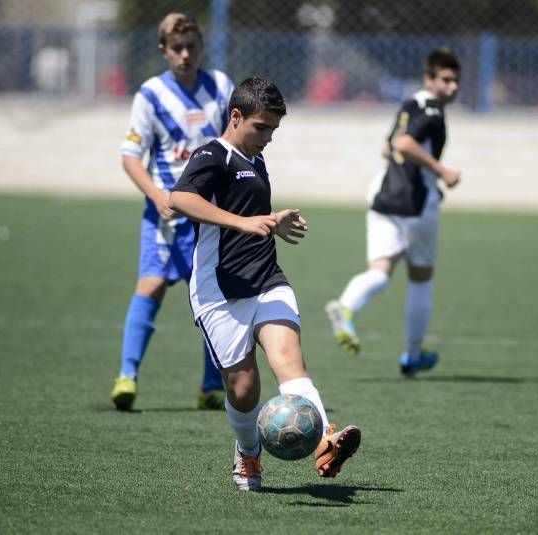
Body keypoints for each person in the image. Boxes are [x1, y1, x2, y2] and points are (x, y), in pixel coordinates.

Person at [168, 76, 361, 491]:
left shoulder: (255, 159)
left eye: (274, 129)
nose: (269, 138)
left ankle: (325, 438)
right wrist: (245, 222)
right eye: (262, 128)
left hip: (266, 277)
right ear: (235, 116)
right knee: (244, 388)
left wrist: (273, 222)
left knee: (289, 359)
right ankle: (248, 454)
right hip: (220, 290)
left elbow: (250, 215)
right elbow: (179, 199)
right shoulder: (212, 154)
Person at [111, 13, 234, 411]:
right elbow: (131, 157)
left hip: (209, 216)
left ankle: (210, 386)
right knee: (150, 286)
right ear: (163, 50)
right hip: (165, 218)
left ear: (202, 47)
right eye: (176, 49)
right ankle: (127, 376)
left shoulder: (220, 87)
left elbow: (234, 145)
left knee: (213, 298)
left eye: (192, 47)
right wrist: (158, 195)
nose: (185, 55)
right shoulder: (150, 95)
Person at [325, 48, 461, 378]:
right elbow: (404, 145)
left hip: (384, 196)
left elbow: (388, 146)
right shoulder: (430, 109)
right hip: (415, 205)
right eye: (445, 79)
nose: (452, 87)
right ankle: (413, 355)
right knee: (420, 282)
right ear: (429, 79)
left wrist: (422, 173)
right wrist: (440, 171)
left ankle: (346, 307)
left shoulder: (409, 104)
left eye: (456, 81)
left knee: (380, 272)